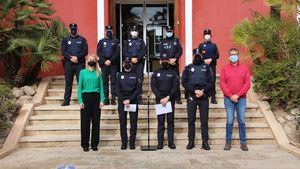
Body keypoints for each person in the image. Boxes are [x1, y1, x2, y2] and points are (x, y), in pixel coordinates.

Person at [182, 48, 214, 150]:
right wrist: (194, 90)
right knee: (191, 120)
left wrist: (203, 91)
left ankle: (205, 142)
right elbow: (184, 82)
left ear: (201, 55)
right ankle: (191, 141)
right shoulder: (188, 68)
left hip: (203, 96)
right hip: (192, 95)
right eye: (195, 55)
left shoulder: (207, 68)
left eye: (199, 54)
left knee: (204, 121)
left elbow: (211, 82)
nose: (197, 56)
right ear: (192, 56)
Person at [220, 48, 251, 151]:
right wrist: (230, 95)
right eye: (231, 54)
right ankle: (228, 142)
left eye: (235, 54)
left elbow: (247, 84)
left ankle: (243, 142)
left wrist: (238, 95)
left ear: (238, 55)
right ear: (229, 56)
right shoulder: (224, 68)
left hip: (241, 99)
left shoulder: (244, 68)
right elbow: (222, 84)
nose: (233, 56)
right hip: (228, 99)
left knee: (241, 120)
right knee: (230, 120)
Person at [151, 54, 179, 150]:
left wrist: (168, 97)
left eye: (166, 60)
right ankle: (160, 143)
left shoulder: (173, 73)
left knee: (170, 122)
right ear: (160, 62)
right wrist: (160, 98)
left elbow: (175, 86)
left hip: (170, 99)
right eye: (163, 60)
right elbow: (153, 86)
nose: (164, 62)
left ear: (169, 62)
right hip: (160, 100)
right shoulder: (156, 72)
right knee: (161, 122)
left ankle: (171, 142)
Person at [78, 54, 104, 152]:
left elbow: (102, 87)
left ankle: (94, 144)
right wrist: (80, 100)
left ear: (96, 62)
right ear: (87, 61)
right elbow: (79, 87)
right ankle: (85, 144)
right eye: (90, 59)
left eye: (93, 60)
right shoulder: (82, 72)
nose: (91, 61)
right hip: (86, 97)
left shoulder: (99, 73)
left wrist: (102, 100)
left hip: (96, 97)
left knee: (96, 122)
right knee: (85, 122)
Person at [115, 57, 141, 150]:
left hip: (132, 101)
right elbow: (116, 89)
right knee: (123, 123)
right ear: (123, 64)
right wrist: (123, 100)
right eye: (125, 63)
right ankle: (124, 143)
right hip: (122, 102)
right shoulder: (119, 75)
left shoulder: (135, 75)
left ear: (131, 64)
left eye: (128, 62)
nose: (127, 64)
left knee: (133, 123)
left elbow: (138, 90)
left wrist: (129, 99)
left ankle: (132, 143)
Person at [61, 23, 88, 106]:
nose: (73, 31)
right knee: (68, 82)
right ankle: (66, 100)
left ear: (77, 29)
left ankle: (83, 100)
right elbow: (63, 51)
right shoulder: (65, 40)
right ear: (69, 30)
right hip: (69, 64)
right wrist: (70, 58)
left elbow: (85, 51)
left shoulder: (82, 39)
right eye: (72, 29)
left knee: (81, 82)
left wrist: (77, 57)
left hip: (79, 64)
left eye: (74, 29)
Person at [159, 26, 183, 104]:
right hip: (166, 65)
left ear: (172, 31)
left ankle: (178, 98)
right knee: (166, 81)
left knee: (176, 81)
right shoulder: (162, 42)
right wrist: (167, 61)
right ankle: (166, 97)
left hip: (174, 64)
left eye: (170, 31)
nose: (169, 32)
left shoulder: (176, 41)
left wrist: (175, 58)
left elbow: (180, 51)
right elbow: (161, 53)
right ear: (166, 32)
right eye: (168, 31)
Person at [123, 25, 147, 104]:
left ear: (138, 32)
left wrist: (138, 58)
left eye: (135, 31)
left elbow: (144, 51)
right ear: (130, 32)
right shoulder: (127, 42)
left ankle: (138, 96)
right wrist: (131, 58)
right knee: (130, 79)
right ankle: (130, 96)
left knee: (139, 79)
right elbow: (124, 51)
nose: (134, 32)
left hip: (139, 63)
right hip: (130, 63)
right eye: (133, 30)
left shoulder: (141, 41)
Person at [97, 25, 120, 105]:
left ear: (112, 31)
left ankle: (113, 98)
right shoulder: (101, 41)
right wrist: (105, 61)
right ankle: (106, 98)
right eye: (107, 30)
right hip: (104, 64)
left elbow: (117, 52)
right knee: (105, 82)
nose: (109, 32)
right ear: (105, 31)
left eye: (110, 30)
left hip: (113, 64)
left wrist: (110, 60)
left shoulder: (116, 41)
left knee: (113, 81)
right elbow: (98, 52)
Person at [198, 29, 219, 104]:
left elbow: (217, 55)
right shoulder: (201, 46)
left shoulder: (214, 45)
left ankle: (213, 97)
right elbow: (198, 55)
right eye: (206, 34)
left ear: (211, 36)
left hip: (212, 66)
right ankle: (205, 95)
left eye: (208, 34)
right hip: (203, 67)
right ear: (203, 36)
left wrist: (211, 59)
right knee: (204, 81)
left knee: (212, 81)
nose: (207, 36)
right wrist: (203, 61)